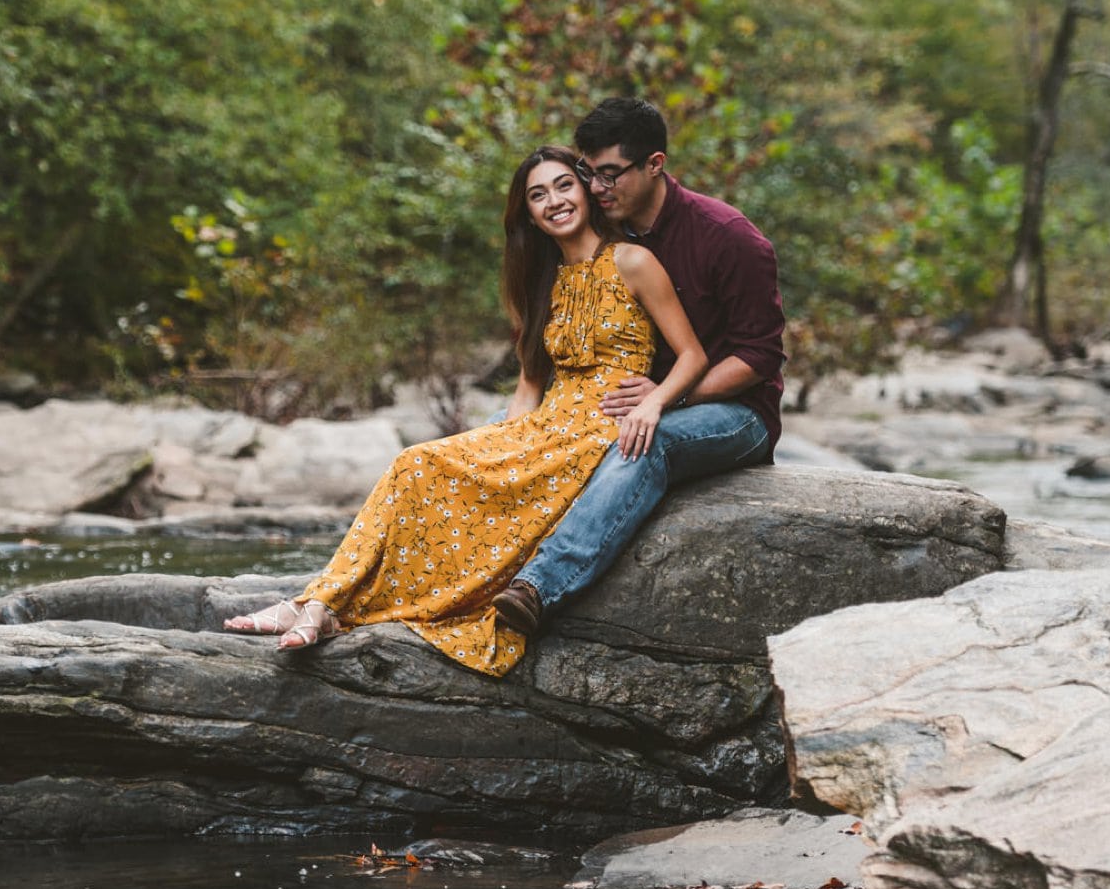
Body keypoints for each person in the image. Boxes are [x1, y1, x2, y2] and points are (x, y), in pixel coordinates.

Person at [222, 145, 707, 676]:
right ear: (527, 214)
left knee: (434, 471)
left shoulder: (632, 260)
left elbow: (693, 355)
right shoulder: (541, 281)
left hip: (603, 429)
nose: (555, 202)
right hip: (549, 425)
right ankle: (320, 603)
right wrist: (496, 441)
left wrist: (655, 402)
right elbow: (529, 383)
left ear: (587, 190)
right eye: (537, 195)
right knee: (418, 463)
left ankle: (323, 606)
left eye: (564, 186)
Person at [484, 97, 786, 639]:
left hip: (735, 413)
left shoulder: (729, 237)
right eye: (589, 174)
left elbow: (760, 357)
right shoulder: (609, 238)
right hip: (645, 398)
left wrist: (668, 399)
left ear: (655, 164)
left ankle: (538, 587)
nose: (597, 189)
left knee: (647, 440)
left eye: (609, 175)